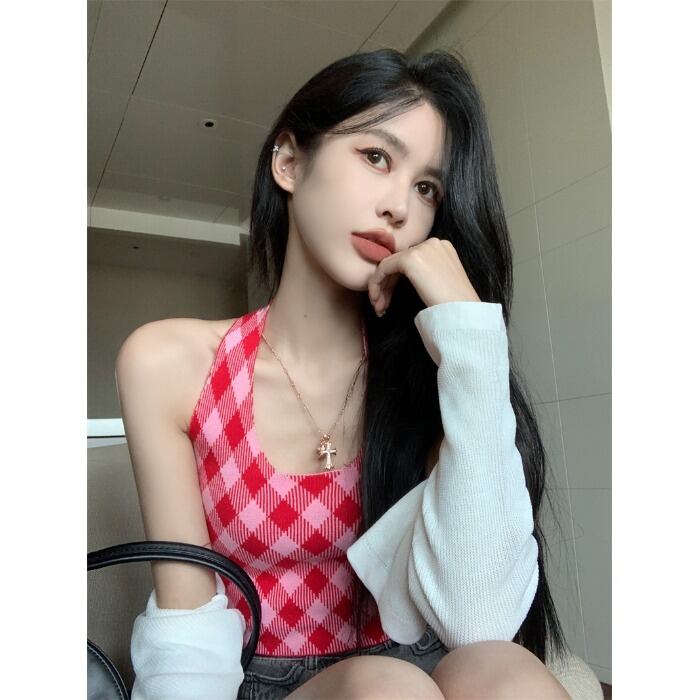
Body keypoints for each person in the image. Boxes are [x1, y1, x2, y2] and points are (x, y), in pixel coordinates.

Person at [115, 48, 573, 699]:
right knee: (384, 689)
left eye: (427, 188)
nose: (399, 207)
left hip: (420, 660)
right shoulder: (171, 364)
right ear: (288, 162)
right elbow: (187, 634)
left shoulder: (429, 366)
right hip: (278, 681)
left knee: (511, 674)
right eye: (377, 156)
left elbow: (481, 621)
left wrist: (472, 345)